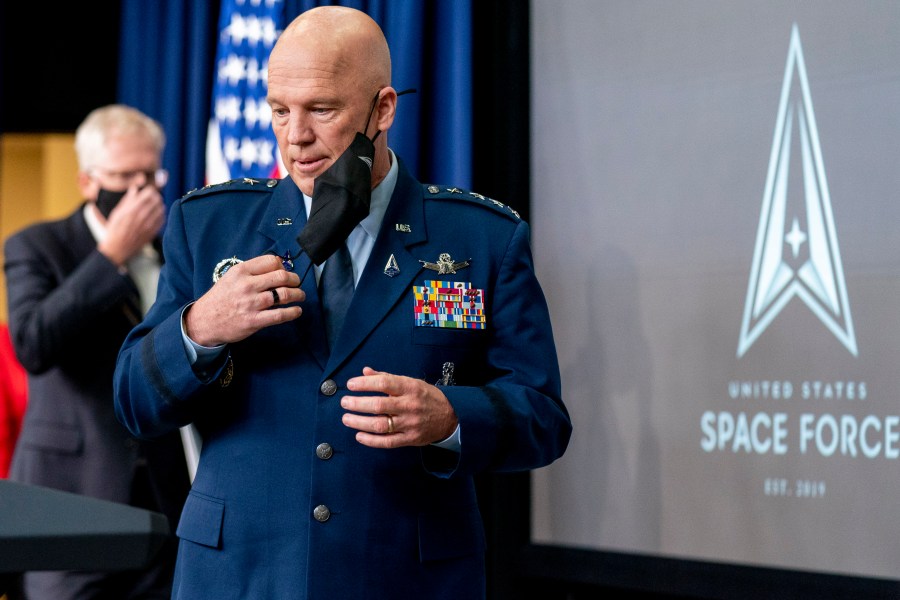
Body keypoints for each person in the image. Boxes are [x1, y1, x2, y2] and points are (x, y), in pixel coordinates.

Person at [113, 6, 571, 599]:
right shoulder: (209, 226)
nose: (294, 136)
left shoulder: (481, 238)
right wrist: (202, 326)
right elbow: (132, 402)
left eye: (321, 110)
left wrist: (451, 418)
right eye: (279, 111)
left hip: (407, 580)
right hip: (241, 579)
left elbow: (543, 418)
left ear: (382, 109)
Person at [3, 104, 191, 600]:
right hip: (68, 503)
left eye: (149, 175)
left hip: (164, 502)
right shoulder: (38, 246)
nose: (139, 190)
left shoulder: (177, 252)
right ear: (88, 181)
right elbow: (33, 344)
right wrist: (109, 257)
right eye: (124, 176)